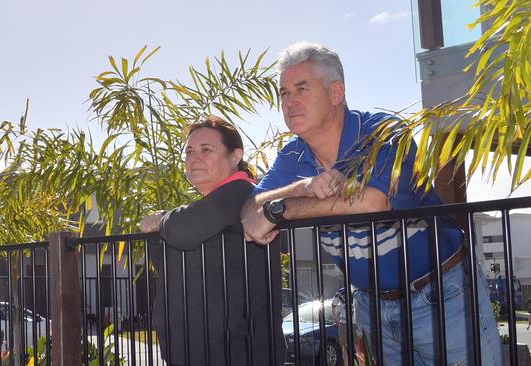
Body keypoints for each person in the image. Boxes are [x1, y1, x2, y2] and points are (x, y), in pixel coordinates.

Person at [241, 42, 502, 365]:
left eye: (301, 89)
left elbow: (372, 202)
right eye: (283, 93)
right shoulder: (293, 157)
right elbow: (250, 206)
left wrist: (281, 209)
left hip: (443, 295)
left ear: (336, 93)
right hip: (372, 307)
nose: (289, 102)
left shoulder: (382, 132)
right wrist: (303, 187)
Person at [139, 116, 284, 366]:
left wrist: (161, 220)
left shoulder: (243, 195)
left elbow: (182, 230)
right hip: (203, 349)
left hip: (234, 350)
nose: (194, 158)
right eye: (189, 151)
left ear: (234, 156)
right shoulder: (210, 204)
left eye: (206, 149)